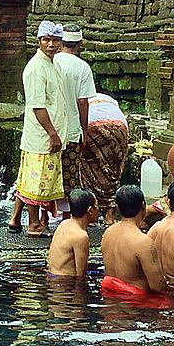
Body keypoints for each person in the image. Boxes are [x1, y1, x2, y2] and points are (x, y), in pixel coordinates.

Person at [7, 20, 68, 239]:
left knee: (28, 178)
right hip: (42, 136)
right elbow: (37, 106)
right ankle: (33, 224)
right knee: (37, 181)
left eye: (55, 40)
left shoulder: (54, 64)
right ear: (39, 41)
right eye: (46, 40)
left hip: (50, 133)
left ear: (61, 42)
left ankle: (16, 219)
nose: (51, 44)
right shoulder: (36, 68)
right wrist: (52, 133)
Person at [53, 24, 96, 214]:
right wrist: (84, 130)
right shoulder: (82, 67)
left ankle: (44, 217)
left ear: (61, 42)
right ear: (80, 44)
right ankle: (67, 216)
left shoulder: (51, 61)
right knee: (70, 176)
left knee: (49, 174)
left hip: (50, 129)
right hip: (71, 132)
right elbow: (83, 102)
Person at [99, 185, 166, 296]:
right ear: (143, 206)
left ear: (117, 208)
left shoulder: (107, 233)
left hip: (111, 302)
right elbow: (157, 287)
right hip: (137, 306)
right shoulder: (143, 242)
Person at [78, 93, 130, 226]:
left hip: (92, 125)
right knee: (114, 171)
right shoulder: (109, 100)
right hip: (120, 127)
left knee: (87, 168)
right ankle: (109, 216)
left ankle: (91, 216)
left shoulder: (82, 98)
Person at [46, 189, 98, 278]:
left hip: (51, 277)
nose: (98, 209)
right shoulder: (81, 236)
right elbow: (81, 275)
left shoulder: (64, 224)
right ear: (90, 210)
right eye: (97, 205)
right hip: (65, 284)